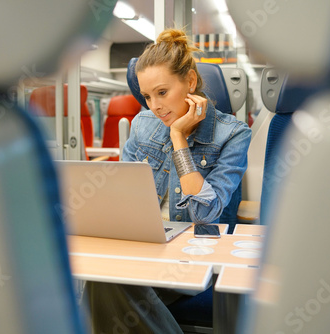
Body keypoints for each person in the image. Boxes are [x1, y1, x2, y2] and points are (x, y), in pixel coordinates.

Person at [84, 28, 251, 334]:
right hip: (145, 248)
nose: (154, 106)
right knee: (100, 278)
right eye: (146, 96)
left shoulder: (234, 134)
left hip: (193, 255)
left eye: (162, 93)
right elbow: (121, 196)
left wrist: (178, 139)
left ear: (189, 82)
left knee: (104, 286)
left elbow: (204, 213)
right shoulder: (142, 123)